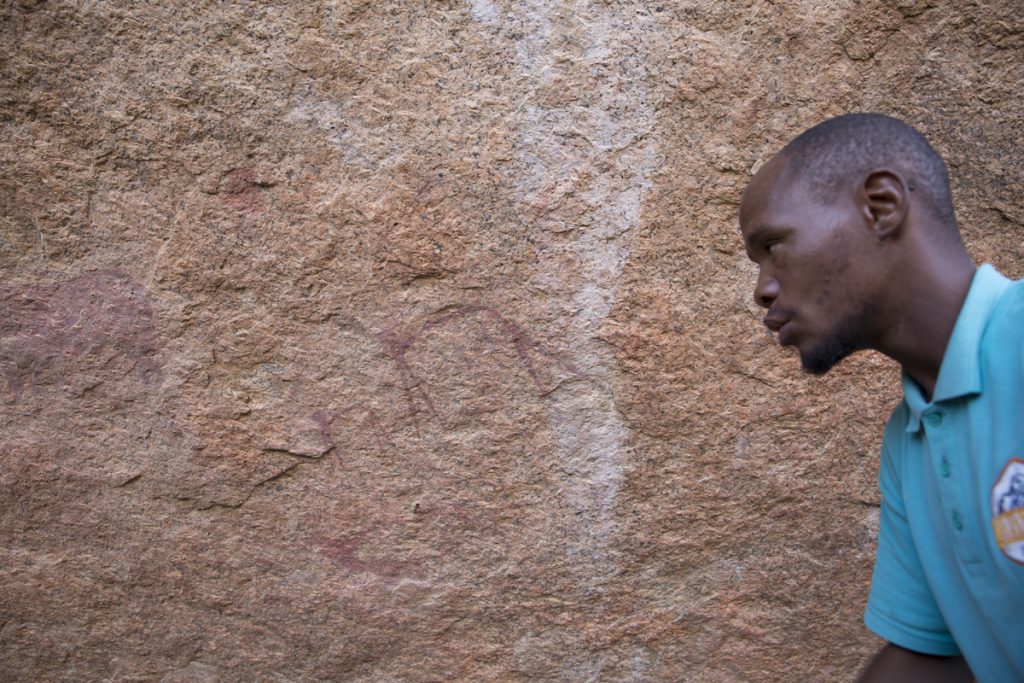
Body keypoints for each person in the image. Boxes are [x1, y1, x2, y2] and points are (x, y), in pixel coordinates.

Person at [738, 113, 1024, 682]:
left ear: (881, 206)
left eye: (774, 245)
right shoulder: (912, 440)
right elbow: (938, 656)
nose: (762, 289)